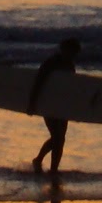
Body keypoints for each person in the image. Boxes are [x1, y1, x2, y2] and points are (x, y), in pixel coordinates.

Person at [27, 37, 81, 175]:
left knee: (60, 138)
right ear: (64, 50)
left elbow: (70, 88)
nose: (73, 55)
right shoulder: (50, 63)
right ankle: (39, 160)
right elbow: (38, 83)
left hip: (62, 104)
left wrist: (76, 109)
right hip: (48, 102)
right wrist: (32, 103)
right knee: (57, 137)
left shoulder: (70, 65)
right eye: (71, 52)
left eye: (74, 53)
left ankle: (52, 169)